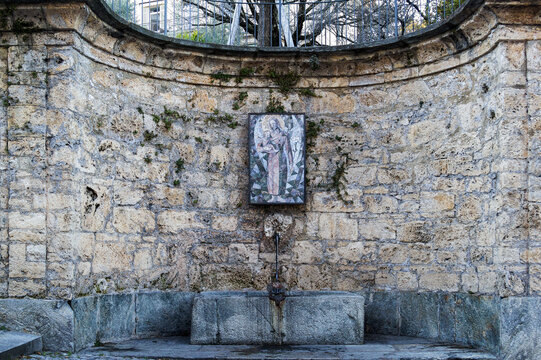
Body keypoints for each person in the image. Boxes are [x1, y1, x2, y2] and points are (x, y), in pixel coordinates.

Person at [256, 116, 293, 202]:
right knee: (272, 176)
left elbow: (288, 149)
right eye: (271, 124)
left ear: (278, 123)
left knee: (281, 175)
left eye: (274, 123)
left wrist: (291, 162)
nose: (273, 125)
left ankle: (280, 195)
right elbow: (262, 146)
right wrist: (266, 140)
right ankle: (272, 196)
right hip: (271, 158)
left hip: (281, 157)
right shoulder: (268, 134)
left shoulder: (283, 134)